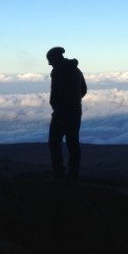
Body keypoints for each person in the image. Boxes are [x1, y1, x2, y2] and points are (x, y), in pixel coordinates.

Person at [46, 46, 87, 180]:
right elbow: (84, 90)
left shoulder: (58, 71)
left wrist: (58, 107)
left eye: (50, 60)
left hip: (62, 113)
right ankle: (73, 174)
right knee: (73, 143)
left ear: (56, 59)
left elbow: (55, 93)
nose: (49, 63)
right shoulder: (76, 70)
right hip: (75, 111)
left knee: (54, 142)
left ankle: (59, 173)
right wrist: (74, 101)